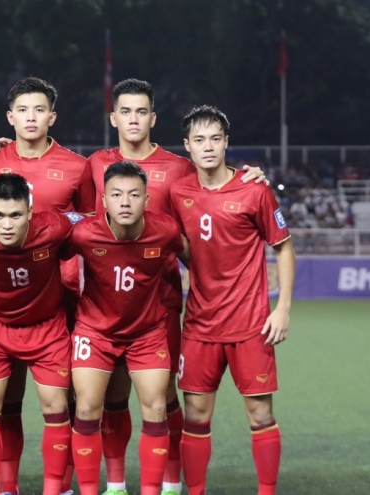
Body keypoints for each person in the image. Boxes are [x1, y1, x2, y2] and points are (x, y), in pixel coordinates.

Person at [86, 79, 267, 495]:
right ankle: (116, 484)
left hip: (160, 302)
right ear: (113, 118)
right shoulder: (94, 164)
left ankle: (170, 482)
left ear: (153, 118)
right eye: (125, 111)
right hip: (106, 303)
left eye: (141, 112)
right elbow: (76, 219)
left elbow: (214, 190)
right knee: (113, 396)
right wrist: (5, 148)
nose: (133, 120)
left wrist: (250, 175)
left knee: (165, 396)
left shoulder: (178, 168)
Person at [170, 106, 295, 495]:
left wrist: (283, 308)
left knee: (260, 413)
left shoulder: (255, 190)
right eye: (199, 140)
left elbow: (284, 248)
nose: (208, 146)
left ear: (226, 142)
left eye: (215, 138)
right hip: (200, 324)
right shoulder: (178, 192)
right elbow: (181, 245)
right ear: (187, 146)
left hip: (251, 324)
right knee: (195, 414)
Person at [0, 76, 94, 495]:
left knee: (65, 400)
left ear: (53, 117)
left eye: (39, 110)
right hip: (4, 301)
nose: (31, 117)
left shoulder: (77, 166)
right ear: (10, 117)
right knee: (6, 400)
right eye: (22, 110)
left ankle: (60, 486)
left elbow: (89, 226)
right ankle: (6, 486)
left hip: (60, 299)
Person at [66, 161, 189, 495]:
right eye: (117, 194)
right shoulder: (83, 233)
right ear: (103, 200)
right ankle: (98, 489)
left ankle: (152, 489)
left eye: (134, 195)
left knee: (157, 407)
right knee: (87, 408)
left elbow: (196, 260)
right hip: (95, 332)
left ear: (146, 200)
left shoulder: (165, 231)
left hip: (147, 333)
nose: (125, 202)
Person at [0, 173, 74, 495]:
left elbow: (86, 226)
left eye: (16, 215)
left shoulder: (55, 227)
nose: (7, 224)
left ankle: (53, 491)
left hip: (46, 328)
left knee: (56, 407)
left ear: (30, 211)